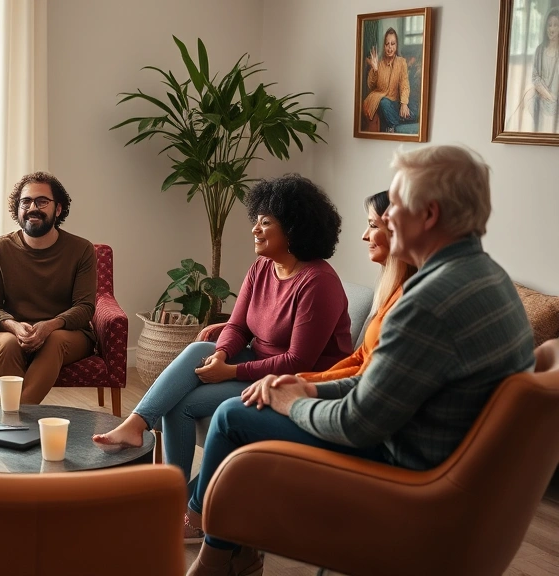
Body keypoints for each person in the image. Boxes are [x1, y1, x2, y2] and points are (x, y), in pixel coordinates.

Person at [184, 145, 535, 576]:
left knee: (232, 416)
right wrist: (310, 387)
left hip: (404, 474)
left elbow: (357, 423)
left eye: (396, 206)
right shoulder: (488, 277)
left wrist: (291, 402)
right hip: (433, 454)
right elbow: (377, 382)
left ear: (429, 215)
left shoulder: (427, 303)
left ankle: (216, 559)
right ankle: (234, 553)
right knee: (247, 405)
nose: (384, 221)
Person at [93, 174, 352, 486]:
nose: (255, 229)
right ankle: (140, 427)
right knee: (201, 349)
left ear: (294, 227)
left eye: (266, 222)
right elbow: (238, 325)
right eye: (256, 220)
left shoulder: (317, 282)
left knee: (182, 406)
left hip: (294, 381)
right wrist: (222, 355)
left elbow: (298, 362)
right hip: (257, 363)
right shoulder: (263, 267)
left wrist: (231, 372)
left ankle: (181, 496)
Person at [0, 171, 96, 405]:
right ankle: (18, 425)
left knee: (54, 341)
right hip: (10, 331)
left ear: (59, 209)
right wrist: (13, 326)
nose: (33, 207)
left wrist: (49, 326)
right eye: (26, 201)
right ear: (18, 208)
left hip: (67, 334)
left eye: (42, 201)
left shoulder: (82, 249)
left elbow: (85, 307)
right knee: (9, 344)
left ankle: (12, 421)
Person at [291, 191, 417, 384]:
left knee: (232, 409)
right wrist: (306, 380)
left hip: (353, 400)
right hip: (340, 390)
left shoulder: (409, 301)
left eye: (373, 225)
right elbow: (359, 357)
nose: (365, 236)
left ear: (398, 231)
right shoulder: (390, 293)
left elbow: (365, 378)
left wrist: (305, 386)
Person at [362, 27, 411, 133]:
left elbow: (404, 84)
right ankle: (397, 127)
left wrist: (404, 103)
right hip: (381, 101)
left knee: (411, 110)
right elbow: (371, 85)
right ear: (384, 46)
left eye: (393, 44)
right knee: (383, 102)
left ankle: (395, 126)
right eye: (387, 44)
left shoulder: (401, 62)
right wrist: (375, 69)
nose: (390, 48)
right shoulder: (378, 63)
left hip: (394, 103)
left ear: (396, 45)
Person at [530, 8, 559, 133]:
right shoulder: (540, 50)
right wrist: (548, 96)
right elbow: (535, 77)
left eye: (555, 25)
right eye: (549, 25)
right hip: (541, 103)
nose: (551, 29)